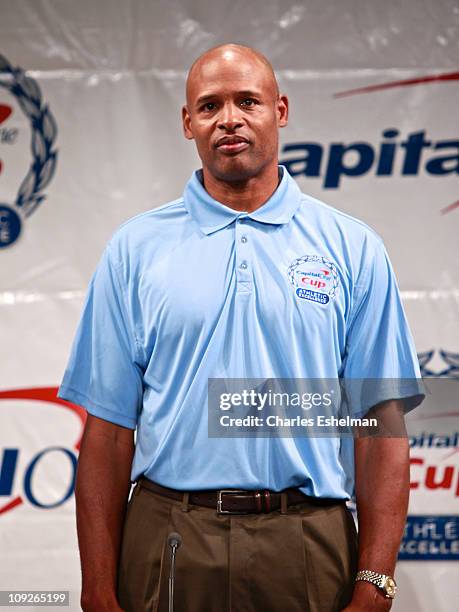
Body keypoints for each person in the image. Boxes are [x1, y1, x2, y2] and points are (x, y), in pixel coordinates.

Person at [58, 44, 424, 612]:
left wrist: (376, 584)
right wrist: (98, 590)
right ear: (188, 123)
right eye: (209, 106)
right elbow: (106, 435)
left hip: (308, 539)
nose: (229, 118)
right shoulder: (135, 250)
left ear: (280, 110)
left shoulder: (352, 249)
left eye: (247, 101)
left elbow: (378, 425)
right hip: (168, 536)